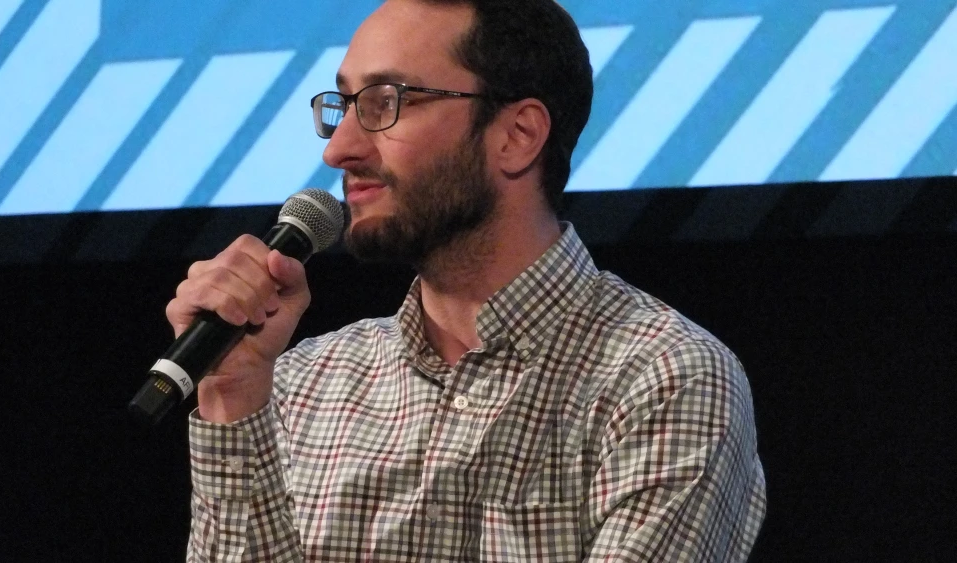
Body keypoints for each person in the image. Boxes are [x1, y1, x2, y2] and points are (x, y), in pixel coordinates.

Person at [173, 0, 766, 560]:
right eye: (344, 105)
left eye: (386, 101)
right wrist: (233, 390)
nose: (339, 150)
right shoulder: (303, 385)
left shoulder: (666, 379)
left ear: (517, 136)